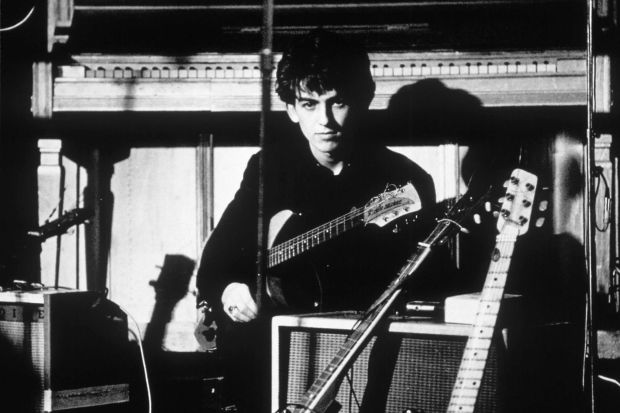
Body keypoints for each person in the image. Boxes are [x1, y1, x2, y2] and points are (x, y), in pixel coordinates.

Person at [195, 28, 438, 413]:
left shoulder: (406, 182)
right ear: (291, 110)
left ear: (364, 99)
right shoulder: (268, 168)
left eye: (337, 102)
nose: (325, 120)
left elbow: (412, 292)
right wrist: (229, 290)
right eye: (309, 104)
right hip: (270, 351)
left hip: (357, 356)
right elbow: (215, 262)